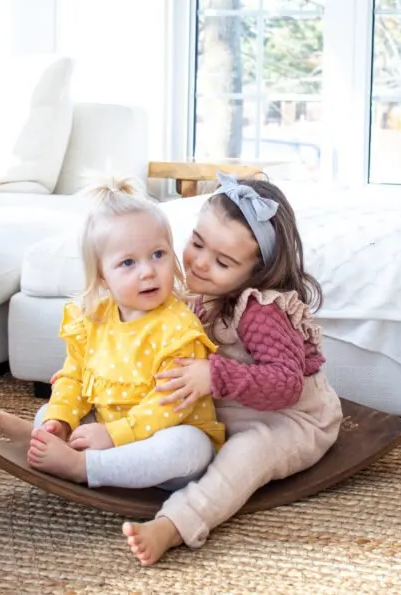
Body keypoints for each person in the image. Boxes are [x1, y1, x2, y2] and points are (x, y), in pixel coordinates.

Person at [123, 173, 343, 565]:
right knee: (156, 399)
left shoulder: (260, 312)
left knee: (247, 453)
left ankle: (175, 524)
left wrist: (214, 375)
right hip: (232, 405)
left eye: (223, 262)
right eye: (196, 243)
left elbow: (286, 385)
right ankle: (71, 436)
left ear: (257, 272)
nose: (200, 263)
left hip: (292, 418)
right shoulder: (194, 294)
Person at [0, 176, 225, 490]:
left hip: (162, 437)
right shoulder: (92, 319)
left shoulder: (178, 329)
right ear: (103, 277)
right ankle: (48, 436)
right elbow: (74, 378)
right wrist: (61, 418)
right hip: (107, 431)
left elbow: (170, 404)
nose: (148, 270)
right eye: (127, 262)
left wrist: (115, 435)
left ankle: (82, 466)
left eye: (158, 254)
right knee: (48, 411)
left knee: (188, 446)